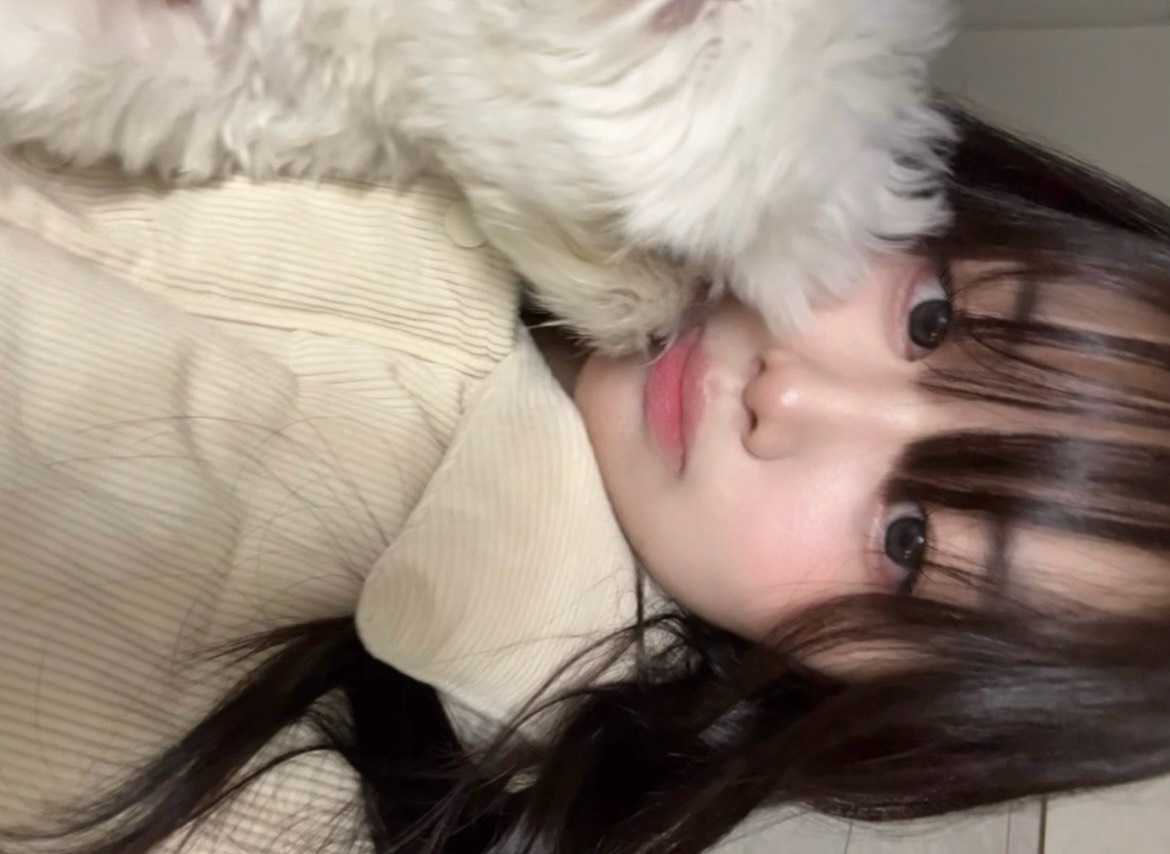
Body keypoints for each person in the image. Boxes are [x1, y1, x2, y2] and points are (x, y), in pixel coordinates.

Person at [2, 108, 1170, 854]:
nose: (792, 393)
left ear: (888, 708)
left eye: (908, 538)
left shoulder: (330, 803)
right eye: (931, 318)